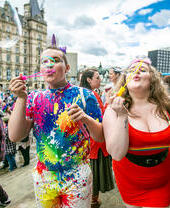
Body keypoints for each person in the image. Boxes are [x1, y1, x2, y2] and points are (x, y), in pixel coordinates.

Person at [8, 46, 104, 208]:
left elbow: (100, 136)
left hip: (77, 175)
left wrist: (85, 118)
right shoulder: (33, 97)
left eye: (56, 60)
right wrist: (21, 98)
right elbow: (15, 136)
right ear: (40, 70)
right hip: (44, 176)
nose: (49, 65)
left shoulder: (86, 95)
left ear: (67, 68)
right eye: (45, 62)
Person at [103, 58, 170, 208]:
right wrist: (122, 115)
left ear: (152, 79)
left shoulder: (166, 106)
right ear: (125, 79)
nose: (136, 71)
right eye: (131, 70)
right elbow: (117, 154)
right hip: (130, 182)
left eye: (143, 69)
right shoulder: (113, 110)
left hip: (164, 180)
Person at [80, 69, 114, 208]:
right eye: (97, 77)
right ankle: (93, 200)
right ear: (89, 80)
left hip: (89, 142)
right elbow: (100, 118)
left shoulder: (82, 93)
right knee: (95, 175)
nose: (100, 80)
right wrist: (108, 102)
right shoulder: (92, 95)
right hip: (95, 142)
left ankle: (92, 200)